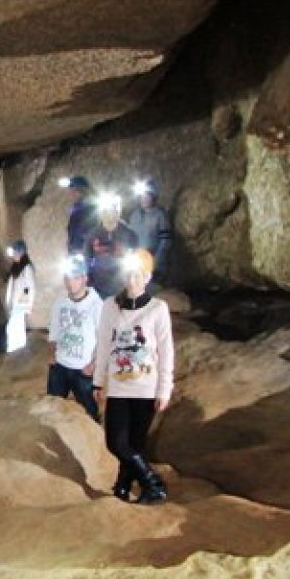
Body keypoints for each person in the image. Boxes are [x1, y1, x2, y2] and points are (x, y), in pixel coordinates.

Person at [93, 249, 175, 504]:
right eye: (129, 273)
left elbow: (165, 350)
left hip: (145, 387)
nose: (132, 279)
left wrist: (164, 389)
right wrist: (98, 381)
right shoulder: (110, 306)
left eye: (138, 274)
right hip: (119, 387)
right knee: (116, 442)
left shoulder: (158, 309)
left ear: (147, 277)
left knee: (135, 444)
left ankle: (122, 487)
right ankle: (152, 482)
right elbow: (104, 345)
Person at [47, 255, 103, 421]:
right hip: (60, 366)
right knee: (52, 410)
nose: (71, 283)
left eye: (75, 278)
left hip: (83, 369)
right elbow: (54, 331)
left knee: (90, 414)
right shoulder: (60, 303)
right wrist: (52, 354)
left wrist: (94, 365)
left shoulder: (97, 305)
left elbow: (104, 338)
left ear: (84, 278)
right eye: (67, 278)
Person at [84, 194, 139, 299]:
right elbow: (87, 258)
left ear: (118, 212)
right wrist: (88, 278)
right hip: (98, 284)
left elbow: (135, 258)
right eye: (106, 210)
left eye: (113, 210)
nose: (109, 214)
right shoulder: (93, 234)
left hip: (121, 285)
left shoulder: (129, 234)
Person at [127, 178, 173, 285]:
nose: (144, 199)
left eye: (147, 196)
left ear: (153, 197)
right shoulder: (134, 215)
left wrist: (155, 260)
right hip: (136, 263)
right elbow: (129, 237)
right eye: (142, 196)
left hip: (155, 265)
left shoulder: (160, 215)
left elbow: (166, 241)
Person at [4, 239, 35, 353]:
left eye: (15, 253)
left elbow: (29, 287)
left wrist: (25, 301)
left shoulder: (26, 268)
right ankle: (15, 350)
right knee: (13, 328)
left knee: (14, 328)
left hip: (20, 304)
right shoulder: (16, 268)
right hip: (16, 304)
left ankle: (16, 351)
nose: (13, 256)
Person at [63, 175, 98, 254]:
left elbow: (92, 231)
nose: (72, 194)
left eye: (75, 190)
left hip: (89, 255)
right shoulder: (75, 210)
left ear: (83, 191)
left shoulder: (92, 208)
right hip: (75, 255)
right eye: (71, 191)